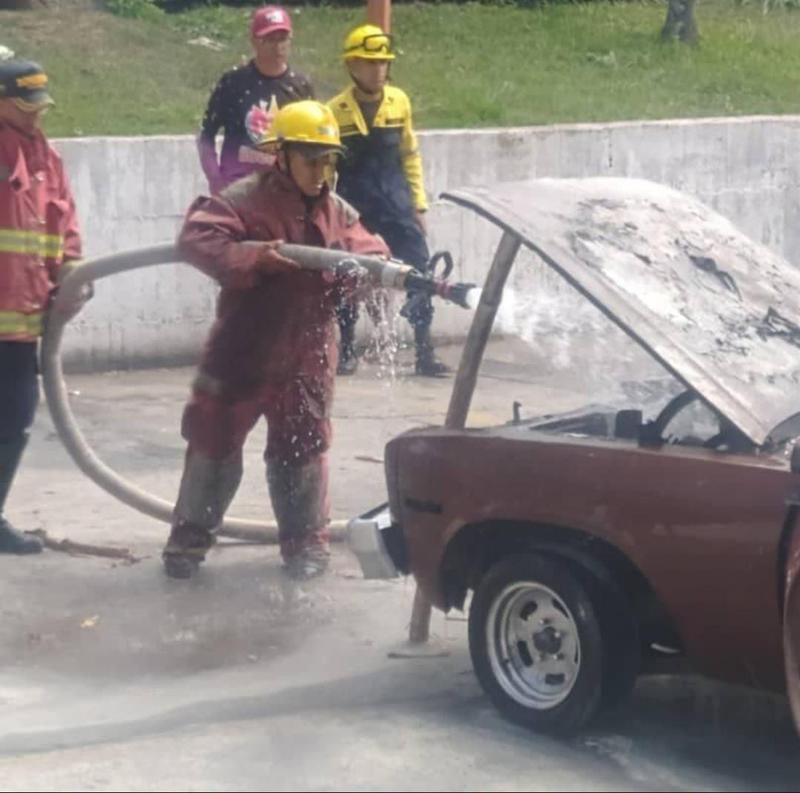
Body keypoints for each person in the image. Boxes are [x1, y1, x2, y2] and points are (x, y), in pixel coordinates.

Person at [163, 100, 389, 581]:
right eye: (311, 158)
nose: (321, 170)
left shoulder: (337, 211)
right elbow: (197, 239)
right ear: (281, 156)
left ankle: (306, 545)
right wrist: (253, 257)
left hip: (307, 355)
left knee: (301, 451)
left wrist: (368, 276)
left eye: (328, 159)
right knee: (213, 446)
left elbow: (372, 254)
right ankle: (188, 544)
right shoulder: (242, 199)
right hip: (243, 349)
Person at [0, 58, 89, 554]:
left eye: (40, 108)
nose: (36, 116)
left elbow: (65, 222)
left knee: (13, 420)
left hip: (22, 322)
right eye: (24, 107)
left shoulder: (46, 158)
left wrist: (73, 271)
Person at [328, 23, 449, 377]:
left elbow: (410, 155)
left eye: (382, 63)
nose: (377, 69)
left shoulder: (400, 102)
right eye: (368, 62)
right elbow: (326, 169)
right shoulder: (334, 110)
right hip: (355, 209)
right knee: (348, 278)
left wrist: (419, 205)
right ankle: (347, 348)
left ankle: (424, 350)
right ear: (352, 65)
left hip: (397, 204)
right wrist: (328, 214)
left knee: (420, 273)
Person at [197, 5, 314, 194]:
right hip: (238, 188)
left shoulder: (300, 86)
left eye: (283, 39)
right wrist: (215, 180)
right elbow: (206, 135)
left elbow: (313, 141)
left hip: (285, 190)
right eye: (269, 40)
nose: (278, 47)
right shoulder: (233, 83)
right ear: (254, 42)